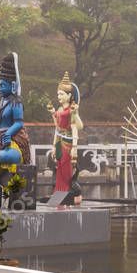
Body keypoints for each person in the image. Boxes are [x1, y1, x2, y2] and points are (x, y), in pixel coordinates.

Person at [0, 53, 31, 207]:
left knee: (6, 156)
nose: (0, 88)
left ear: (12, 85)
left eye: (3, 85)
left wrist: (9, 133)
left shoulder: (16, 102)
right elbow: (0, 125)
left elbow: (18, 123)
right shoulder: (2, 102)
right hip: (2, 139)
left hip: (16, 138)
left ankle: (6, 184)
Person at [48, 71, 83, 204]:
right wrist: (53, 146)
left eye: (61, 94)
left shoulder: (71, 110)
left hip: (68, 143)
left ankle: (69, 192)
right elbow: (57, 128)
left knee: (67, 168)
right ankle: (59, 192)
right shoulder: (59, 109)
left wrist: (74, 147)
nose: (59, 96)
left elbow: (75, 128)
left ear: (69, 96)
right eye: (58, 94)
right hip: (59, 142)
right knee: (59, 168)